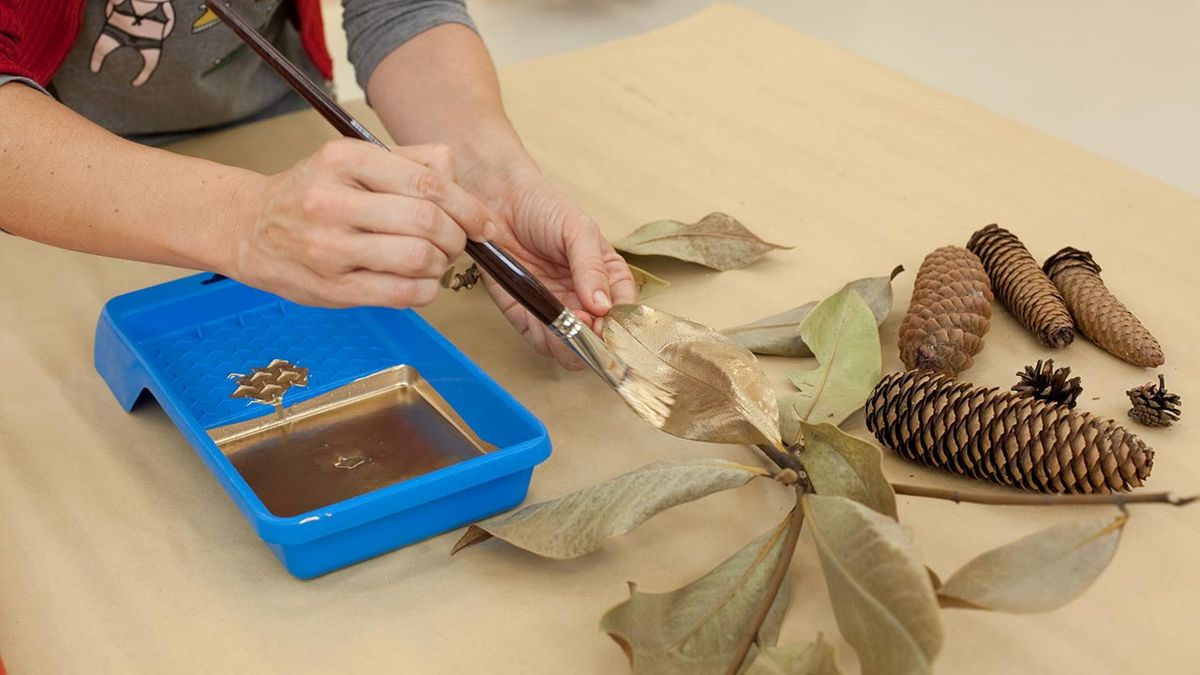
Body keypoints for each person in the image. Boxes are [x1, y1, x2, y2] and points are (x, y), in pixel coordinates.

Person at [0, 0, 635, 369]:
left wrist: (486, 175)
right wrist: (241, 221)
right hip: (48, 191)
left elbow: (398, 7)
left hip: (278, 143)